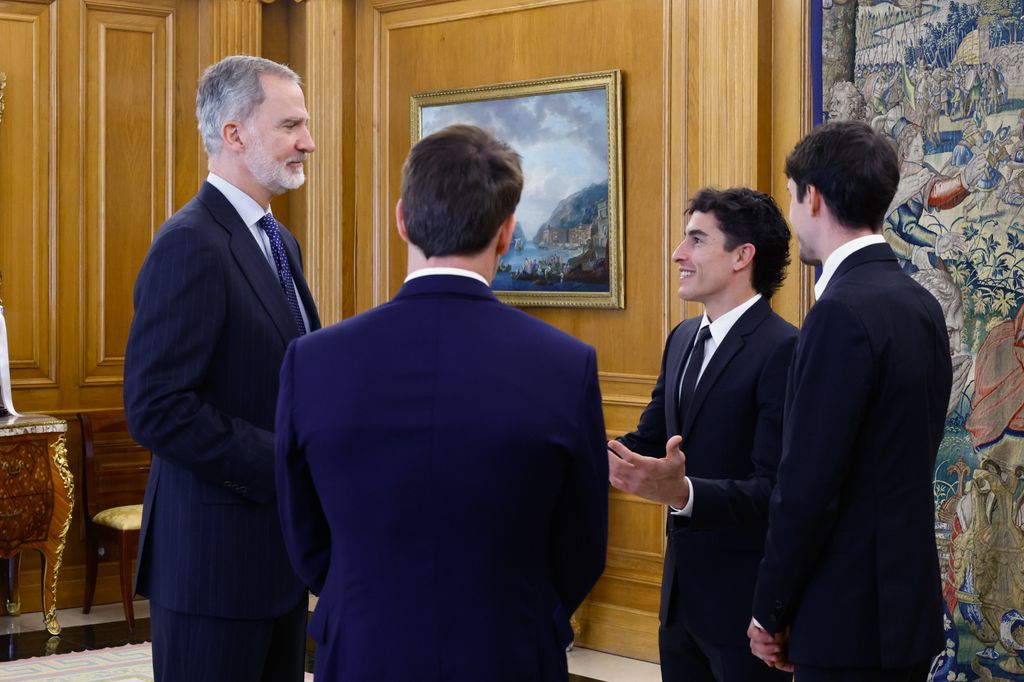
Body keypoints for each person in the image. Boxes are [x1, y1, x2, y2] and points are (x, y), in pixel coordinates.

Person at [275, 124, 608, 682]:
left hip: (364, 646)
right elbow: (582, 545)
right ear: (506, 233)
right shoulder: (565, 364)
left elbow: (302, 534)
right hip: (509, 648)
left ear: (402, 219)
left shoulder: (313, 361)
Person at [123, 55, 319, 682]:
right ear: (234, 134)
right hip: (210, 568)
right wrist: (284, 463)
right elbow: (157, 408)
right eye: (291, 125)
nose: (307, 142)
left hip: (277, 562)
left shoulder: (278, 240)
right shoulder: (189, 242)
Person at [748, 120, 952, 681]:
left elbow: (808, 485)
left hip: (845, 618)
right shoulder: (920, 303)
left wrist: (770, 609)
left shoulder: (838, 313)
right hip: (902, 610)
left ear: (811, 197)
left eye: (791, 198)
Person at [607, 187, 796, 682]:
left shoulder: (785, 350)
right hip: (678, 606)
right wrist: (571, 447)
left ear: (742, 256)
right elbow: (649, 441)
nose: (677, 254)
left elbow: (776, 491)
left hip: (746, 612)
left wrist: (684, 493)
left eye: (696, 240)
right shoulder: (683, 339)